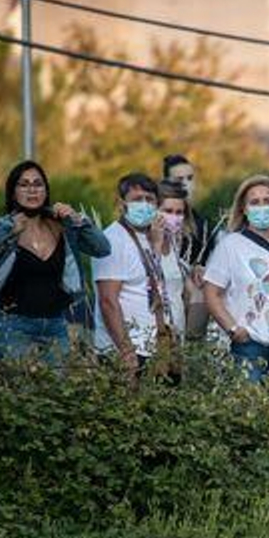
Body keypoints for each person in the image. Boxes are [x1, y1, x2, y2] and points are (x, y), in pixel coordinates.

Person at [0, 160, 109, 363]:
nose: (32, 190)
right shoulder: (1, 226)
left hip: (55, 326)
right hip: (13, 326)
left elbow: (102, 248)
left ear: (46, 191)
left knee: (57, 393)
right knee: (16, 393)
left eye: (38, 184)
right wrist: (8, 231)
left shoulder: (60, 225)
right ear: (13, 192)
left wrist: (77, 220)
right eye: (24, 184)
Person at [203, 176, 269, 386]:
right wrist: (233, 330)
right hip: (247, 345)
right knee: (248, 412)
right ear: (243, 208)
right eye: (255, 202)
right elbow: (211, 292)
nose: (262, 207)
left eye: (268, 201)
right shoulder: (230, 245)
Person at [94, 173, 174, 377]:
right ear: (122, 204)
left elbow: (152, 281)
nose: (145, 205)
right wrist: (125, 350)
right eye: (137, 199)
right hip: (124, 351)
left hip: (152, 349)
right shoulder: (112, 240)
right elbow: (107, 301)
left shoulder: (151, 236)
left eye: (150, 200)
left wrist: (157, 245)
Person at [162, 152, 219, 339]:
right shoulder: (153, 223)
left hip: (188, 307)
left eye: (190, 178)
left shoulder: (202, 226)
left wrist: (199, 269)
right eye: (179, 179)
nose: (186, 183)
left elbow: (202, 265)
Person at [154, 182, 191, 344]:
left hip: (177, 337)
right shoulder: (143, 245)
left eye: (179, 212)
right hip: (155, 338)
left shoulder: (174, 244)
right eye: (168, 211)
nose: (174, 217)